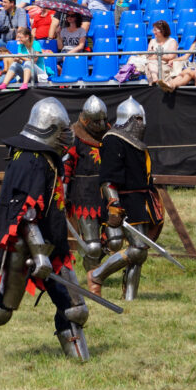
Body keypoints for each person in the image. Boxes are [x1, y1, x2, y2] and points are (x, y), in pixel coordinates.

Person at [0, 97, 90, 363]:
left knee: (75, 308)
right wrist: (39, 254)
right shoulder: (30, 159)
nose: (68, 135)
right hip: (20, 247)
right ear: (48, 130)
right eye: (62, 129)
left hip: (50, 245)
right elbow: (25, 212)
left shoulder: (48, 158)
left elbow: (49, 206)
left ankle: (81, 364)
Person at [87, 97, 162, 301]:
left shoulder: (136, 144)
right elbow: (108, 178)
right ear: (128, 119)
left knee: (140, 253)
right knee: (136, 250)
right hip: (123, 202)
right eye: (138, 119)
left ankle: (130, 298)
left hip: (140, 203)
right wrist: (114, 205)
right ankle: (97, 275)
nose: (142, 124)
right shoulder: (112, 139)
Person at [64, 95, 109, 273]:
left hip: (106, 192)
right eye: (97, 121)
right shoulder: (74, 135)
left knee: (113, 240)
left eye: (103, 120)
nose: (101, 124)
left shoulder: (109, 134)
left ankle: (97, 266)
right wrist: (64, 193)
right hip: (84, 195)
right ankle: (93, 277)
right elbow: (66, 167)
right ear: (86, 120)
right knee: (92, 245)